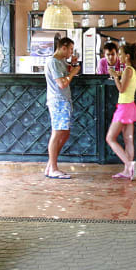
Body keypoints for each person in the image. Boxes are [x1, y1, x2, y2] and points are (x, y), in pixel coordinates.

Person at [44, 36, 81, 179]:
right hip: (58, 100)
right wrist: (73, 72)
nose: (71, 52)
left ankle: (50, 165)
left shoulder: (61, 62)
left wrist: (72, 65)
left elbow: (65, 76)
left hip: (64, 100)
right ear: (63, 48)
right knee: (57, 133)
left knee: (65, 133)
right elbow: (62, 83)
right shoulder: (53, 62)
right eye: (70, 49)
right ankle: (53, 168)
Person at [107, 42, 136, 180]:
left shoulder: (128, 70)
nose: (119, 56)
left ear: (127, 56)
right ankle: (127, 171)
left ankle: (129, 164)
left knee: (110, 138)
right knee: (128, 140)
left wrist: (115, 76)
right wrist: (118, 74)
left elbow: (121, 89)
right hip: (130, 106)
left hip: (124, 108)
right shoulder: (132, 70)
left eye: (120, 54)